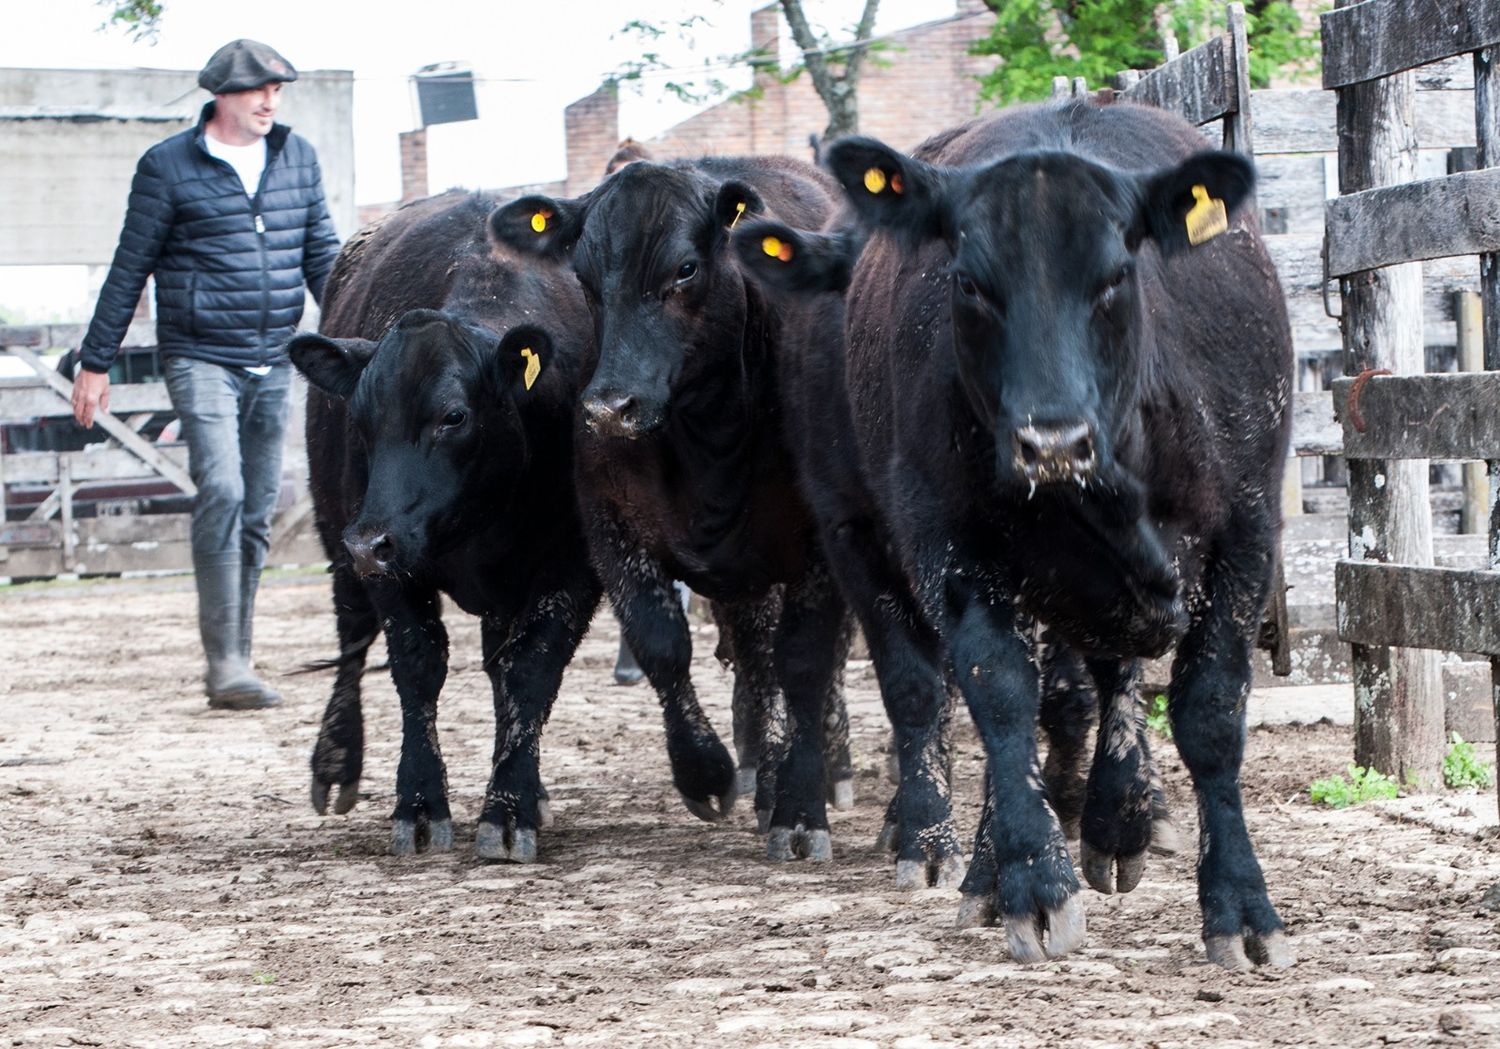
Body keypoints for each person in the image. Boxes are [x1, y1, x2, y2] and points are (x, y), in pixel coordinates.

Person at [72, 39, 341, 710]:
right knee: (221, 487)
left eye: (278, 90)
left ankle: (238, 657)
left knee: (256, 505)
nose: (270, 101)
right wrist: (95, 361)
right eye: (258, 90)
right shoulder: (168, 167)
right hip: (200, 354)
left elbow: (323, 259)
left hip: (275, 355)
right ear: (221, 94)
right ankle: (223, 661)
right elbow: (130, 265)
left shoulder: (297, 157)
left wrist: (362, 342)